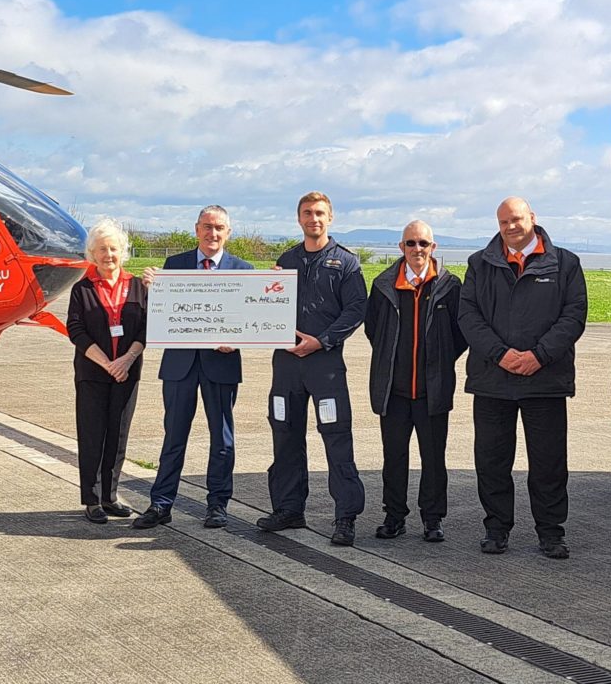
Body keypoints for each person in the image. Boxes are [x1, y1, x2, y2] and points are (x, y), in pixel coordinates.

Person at [458, 197, 587, 558]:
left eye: (516, 219)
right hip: (492, 380)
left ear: (532, 218)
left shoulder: (565, 264)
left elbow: (574, 316)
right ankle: (496, 529)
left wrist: (539, 356)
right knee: (492, 460)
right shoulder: (479, 264)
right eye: (503, 222)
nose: (511, 226)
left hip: (544, 380)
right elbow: (468, 316)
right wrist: (500, 354)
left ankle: (551, 532)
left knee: (548, 462)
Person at [133, 205, 254, 531]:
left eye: (219, 228)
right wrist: (151, 291)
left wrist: (238, 339)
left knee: (223, 439)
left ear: (228, 232)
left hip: (221, 364)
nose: (212, 234)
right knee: (174, 436)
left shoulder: (244, 270)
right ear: (196, 229)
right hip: (180, 364)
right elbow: (159, 315)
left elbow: (253, 321)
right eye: (207, 227)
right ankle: (161, 503)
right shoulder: (174, 265)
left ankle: (217, 505)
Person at [259, 191, 367, 546]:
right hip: (287, 365)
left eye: (320, 213)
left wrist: (321, 340)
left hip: (325, 365)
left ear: (330, 218)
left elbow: (355, 310)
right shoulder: (286, 259)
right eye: (307, 213)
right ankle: (289, 509)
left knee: (336, 438)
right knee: (285, 433)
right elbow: (266, 306)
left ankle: (345, 517)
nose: (314, 219)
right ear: (299, 218)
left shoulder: (346, 263)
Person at [364, 220, 466, 543]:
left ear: (433, 248)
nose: (417, 249)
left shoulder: (450, 286)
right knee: (394, 457)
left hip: (431, 391)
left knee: (434, 458)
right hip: (393, 391)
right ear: (401, 248)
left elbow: (459, 336)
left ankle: (433, 519)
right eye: (411, 243)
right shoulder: (383, 285)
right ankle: (394, 516)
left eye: (424, 243)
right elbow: (373, 331)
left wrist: (438, 361)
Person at [66, 217, 148, 524]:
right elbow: (76, 330)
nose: (108, 254)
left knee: (118, 435)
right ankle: (91, 499)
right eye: (101, 249)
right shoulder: (82, 290)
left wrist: (126, 361)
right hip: (93, 373)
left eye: (113, 248)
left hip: (127, 372)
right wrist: (108, 364)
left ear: (122, 252)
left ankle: (110, 496)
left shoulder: (139, 286)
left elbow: (146, 328)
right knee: (92, 435)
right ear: (92, 253)